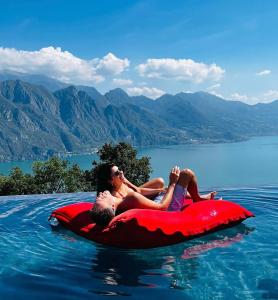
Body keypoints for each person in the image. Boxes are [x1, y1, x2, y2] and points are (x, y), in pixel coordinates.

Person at [89, 163, 216, 226]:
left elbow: (137, 191)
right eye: (117, 173)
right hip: (168, 211)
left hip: (157, 204)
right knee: (187, 174)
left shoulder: (122, 199)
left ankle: (197, 197)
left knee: (162, 184)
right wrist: (172, 183)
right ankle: (197, 199)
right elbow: (162, 207)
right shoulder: (126, 198)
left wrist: (162, 190)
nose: (100, 195)